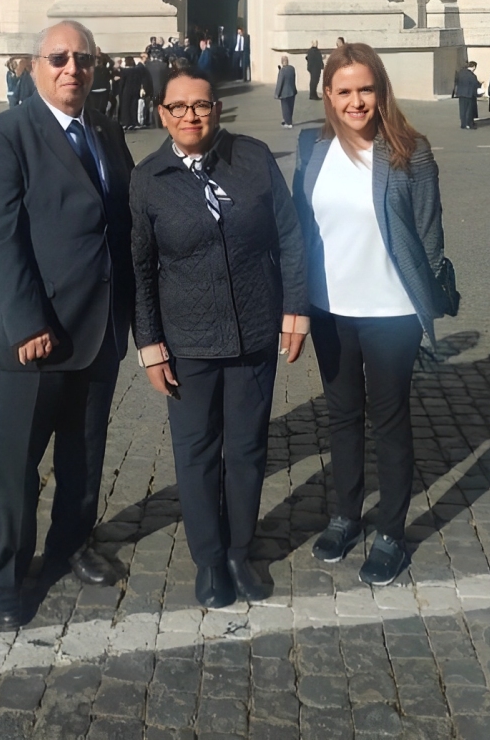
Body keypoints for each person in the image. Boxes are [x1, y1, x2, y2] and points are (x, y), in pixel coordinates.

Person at [0, 20, 135, 629]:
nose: (72, 69)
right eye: (58, 58)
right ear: (33, 66)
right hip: (31, 339)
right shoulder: (3, 135)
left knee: (84, 455)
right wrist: (27, 319)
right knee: (14, 466)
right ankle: (7, 578)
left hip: (99, 331)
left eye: (83, 59)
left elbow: (122, 228)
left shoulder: (107, 132)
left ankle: (69, 546)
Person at [131, 66, 307, 608]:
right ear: (162, 113)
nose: (190, 116)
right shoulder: (147, 178)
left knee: (249, 448)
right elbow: (139, 267)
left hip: (255, 330)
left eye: (201, 105)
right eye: (178, 107)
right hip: (187, 341)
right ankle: (209, 559)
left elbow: (292, 234)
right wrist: (150, 344)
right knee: (196, 452)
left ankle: (240, 550)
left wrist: (295, 310)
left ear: (218, 109)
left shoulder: (252, 157)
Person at [292, 43, 450, 587]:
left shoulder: (410, 151)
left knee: (388, 420)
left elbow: (429, 235)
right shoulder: (311, 148)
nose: (355, 101)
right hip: (329, 308)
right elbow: (299, 229)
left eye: (365, 89)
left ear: (380, 91)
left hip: (391, 310)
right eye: (344, 91)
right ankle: (345, 513)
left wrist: (426, 302)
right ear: (328, 95)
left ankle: (390, 532)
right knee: (339, 416)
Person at [118, 55, 150, 131]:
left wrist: (120, 91)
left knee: (125, 107)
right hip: (135, 90)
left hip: (126, 91)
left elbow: (122, 82)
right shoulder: (137, 70)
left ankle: (126, 122)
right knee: (133, 106)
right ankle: (133, 122)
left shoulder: (124, 71)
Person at [145, 50, 170, 127]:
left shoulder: (148, 65)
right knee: (162, 105)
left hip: (151, 88)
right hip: (162, 88)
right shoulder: (164, 65)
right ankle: (162, 122)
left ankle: (155, 123)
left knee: (154, 106)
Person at [452, 61, 479, 130]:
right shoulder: (472, 76)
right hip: (469, 94)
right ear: (474, 67)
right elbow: (475, 84)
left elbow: (456, 81)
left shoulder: (461, 73)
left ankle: (463, 124)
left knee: (462, 110)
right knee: (468, 110)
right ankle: (469, 124)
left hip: (461, 93)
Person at [274, 55, 297, 128]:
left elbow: (280, 83)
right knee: (290, 107)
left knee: (285, 108)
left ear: (282, 62)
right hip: (292, 91)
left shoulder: (282, 71)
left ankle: (288, 123)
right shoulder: (292, 69)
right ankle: (289, 120)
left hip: (284, 92)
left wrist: (277, 94)